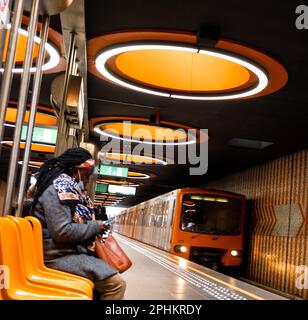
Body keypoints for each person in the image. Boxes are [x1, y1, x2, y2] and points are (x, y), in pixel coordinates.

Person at [31, 147, 126, 300]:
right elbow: (62, 232)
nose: (88, 180)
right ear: (76, 169)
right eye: (87, 174)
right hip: (57, 256)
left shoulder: (65, 187)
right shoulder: (58, 189)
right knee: (116, 284)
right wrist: (96, 226)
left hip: (65, 252)